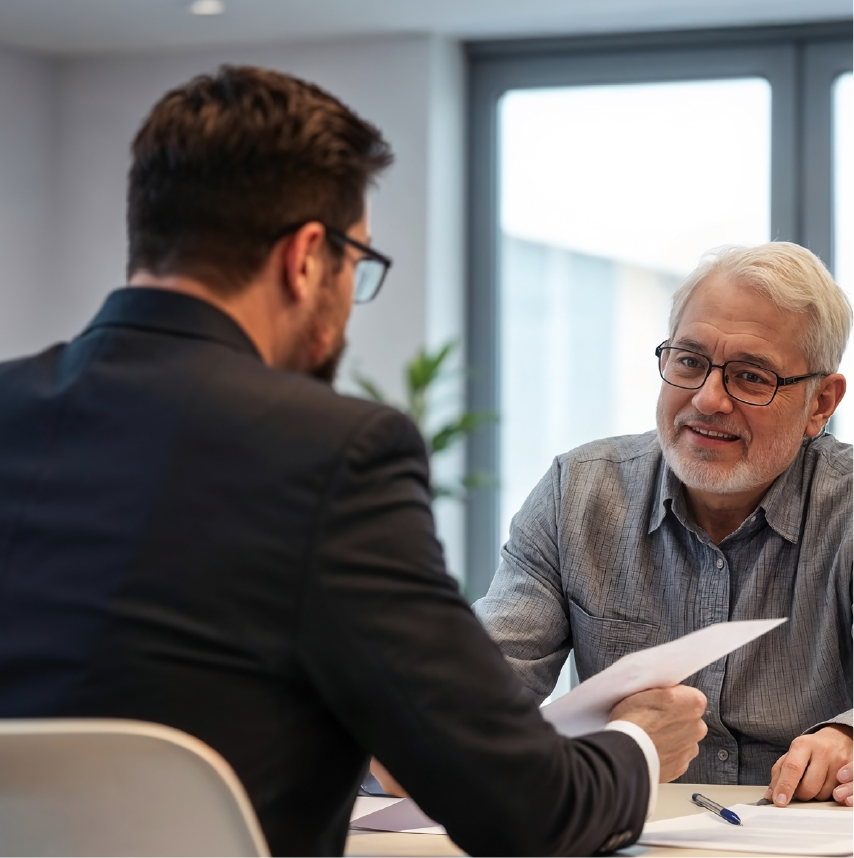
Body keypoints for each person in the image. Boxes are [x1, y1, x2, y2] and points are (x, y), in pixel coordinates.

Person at [0, 66, 707, 858]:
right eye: (356, 265)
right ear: (307, 258)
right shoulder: (331, 454)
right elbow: (527, 811)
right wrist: (641, 743)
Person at [474, 241, 854, 810]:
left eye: (751, 377)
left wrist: (849, 736)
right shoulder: (576, 494)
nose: (707, 399)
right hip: (625, 836)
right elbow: (470, 702)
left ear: (821, 404)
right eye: (689, 361)